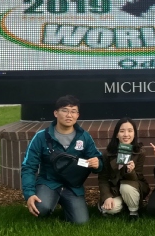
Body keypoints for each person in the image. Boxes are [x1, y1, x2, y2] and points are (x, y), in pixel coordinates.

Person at [21, 95, 102, 224]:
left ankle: (67, 204)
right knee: (41, 209)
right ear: (56, 113)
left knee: (81, 222)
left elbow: (98, 160)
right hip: (49, 183)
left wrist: (98, 164)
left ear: (77, 115)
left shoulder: (84, 137)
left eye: (73, 111)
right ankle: (48, 201)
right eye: (65, 110)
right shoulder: (41, 136)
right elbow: (28, 167)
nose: (69, 115)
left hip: (73, 186)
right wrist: (29, 194)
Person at [98, 117, 150, 220]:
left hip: (133, 186)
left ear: (134, 133)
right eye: (122, 131)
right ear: (116, 134)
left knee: (125, 187)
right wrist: (107, 197)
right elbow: (103, 178)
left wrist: (130, 171)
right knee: (109, 209)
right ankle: (124, 205)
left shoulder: (140, 152)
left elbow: (138, 177)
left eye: (130, 131)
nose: (126, 134)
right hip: (115, 190)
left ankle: (133, 212)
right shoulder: (108, 153)